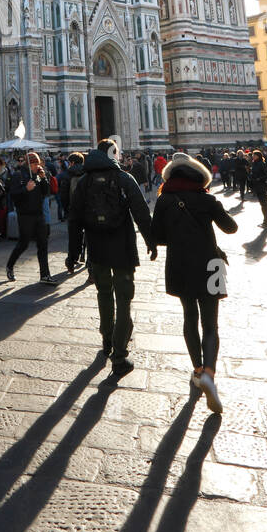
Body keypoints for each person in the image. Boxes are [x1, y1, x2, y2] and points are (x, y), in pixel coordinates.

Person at [149, 152, 239, 413]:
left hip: (180, 264)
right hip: (211, 264)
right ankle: (210, 372)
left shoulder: (165, 200)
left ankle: (198, 370)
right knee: (211, 324)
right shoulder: (207, 199)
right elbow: (231, 228)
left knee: (190, 316)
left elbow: (157, 236)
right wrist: (215, 210)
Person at [66, 139, 153, 371]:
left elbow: (74, 220)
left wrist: (73, 254)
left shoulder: (84, 182)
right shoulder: (125, 179)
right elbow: (142, 213)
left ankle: (107, 340)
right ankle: (119, 355)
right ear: (113, 153)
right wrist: (151, 241)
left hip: (97, 250)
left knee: (104, 293)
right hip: (123, 249)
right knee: (124, 300)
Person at [6, 152, 59, 286]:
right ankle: (10, 265)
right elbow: (13, 194)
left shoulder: (38, 175)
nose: (37, 166)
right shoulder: (18, 176)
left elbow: (46, 192)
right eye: (35, 164)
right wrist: (26, 189)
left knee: (43, 244)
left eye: (38, 163)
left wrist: (44, 179)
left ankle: (45, 275)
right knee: (23, 243)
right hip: (25, 215)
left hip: (39, 214)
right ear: (29, 164)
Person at [249, 149, 267, 228]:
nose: (253, 156)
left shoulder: (261, 163)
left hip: (261, 186)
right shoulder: (254, 163)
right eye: (253, 155)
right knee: (263, 205)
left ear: (258, 156)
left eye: (254, 155)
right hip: (257, 186)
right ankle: (265, 221)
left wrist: (259, 178)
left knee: (264, 205)